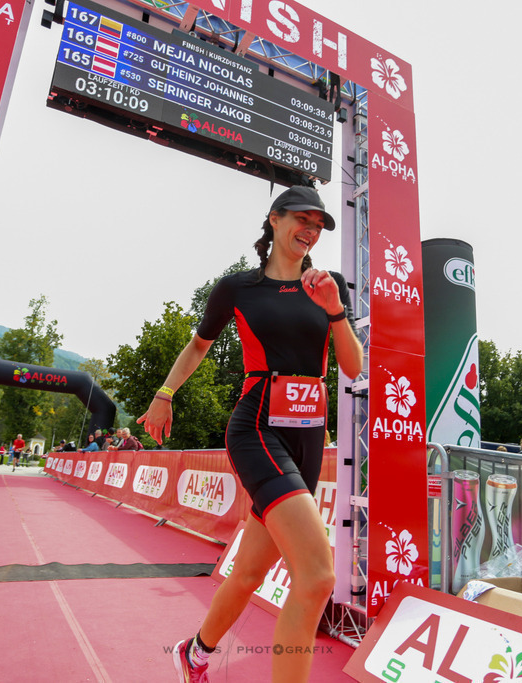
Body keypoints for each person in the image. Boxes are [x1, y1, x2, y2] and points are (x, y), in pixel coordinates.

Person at [137, 185, 363, 683]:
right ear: (274, 219)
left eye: (318, 225)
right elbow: (199, 345)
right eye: (302, 219)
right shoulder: (238, 288)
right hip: (258, 427)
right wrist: (165, 393)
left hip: (308, 436)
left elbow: (352, 366)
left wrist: (335, 309)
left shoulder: (329, 286)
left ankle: (194, 653)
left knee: (249, 573)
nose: (310, 230)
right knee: (317, 576)